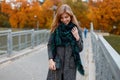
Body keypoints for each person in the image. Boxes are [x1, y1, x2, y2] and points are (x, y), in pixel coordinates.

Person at [47, 4, 84, 80]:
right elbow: (50, 45)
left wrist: (77, 37)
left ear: (71, 16)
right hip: (57, 64)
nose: (64, 20)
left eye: (66, 17)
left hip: (70, 66)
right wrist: (50, 59)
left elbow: (80, 49)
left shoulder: (76, 29)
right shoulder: (56, 29)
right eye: (62, 18)